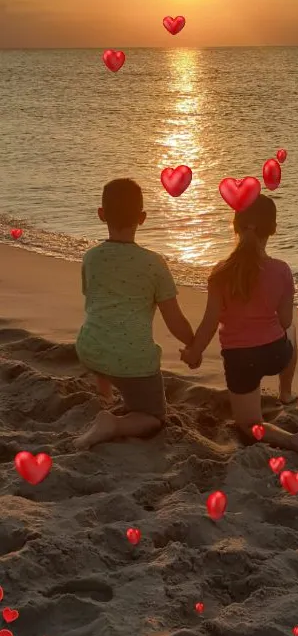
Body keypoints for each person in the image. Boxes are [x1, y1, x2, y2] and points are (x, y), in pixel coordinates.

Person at [180, 194, 298, 464]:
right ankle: (285, 391)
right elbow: (284, 321)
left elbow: (210, 322)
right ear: (272, 230)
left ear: (235, 226)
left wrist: (194, 353)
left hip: (240, 360)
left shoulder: (220, 272)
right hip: (274, 354)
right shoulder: (281, 270)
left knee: (250, 425)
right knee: (292, 330)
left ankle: (292, 440)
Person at [75, 178, 197, 449]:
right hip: (132, 362)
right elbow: (174, 320)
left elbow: (95, 301)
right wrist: (193, 344)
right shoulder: (153, 264)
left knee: (106, 325)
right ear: (142, 218)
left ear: (101, 214)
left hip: (90, 349)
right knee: (154, 417)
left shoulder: (91, 257)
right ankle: (114, 423)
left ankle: (105, 395)